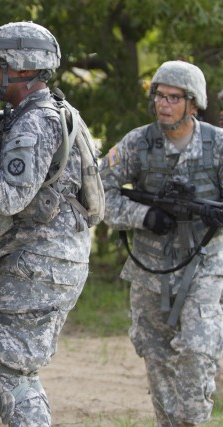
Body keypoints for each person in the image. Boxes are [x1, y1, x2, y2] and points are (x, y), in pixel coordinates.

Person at [0, 22, 92, 426]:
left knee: (4, 373)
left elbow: (9, 195)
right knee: (8, 370)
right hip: (45, 261)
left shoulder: (36, 121)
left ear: (21, 68)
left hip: (42, 262)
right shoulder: (40, 112)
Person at [100, 60, 223, 427]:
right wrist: (143, 217)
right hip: (151, 268)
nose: (163, 104)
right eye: (159, 96)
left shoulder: (216, 145)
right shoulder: (139, 143)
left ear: (193, 103)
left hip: (206, 263)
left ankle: (192, 421)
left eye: (173, 97)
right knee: (156, 356)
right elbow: (98, 192)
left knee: (198, 350)